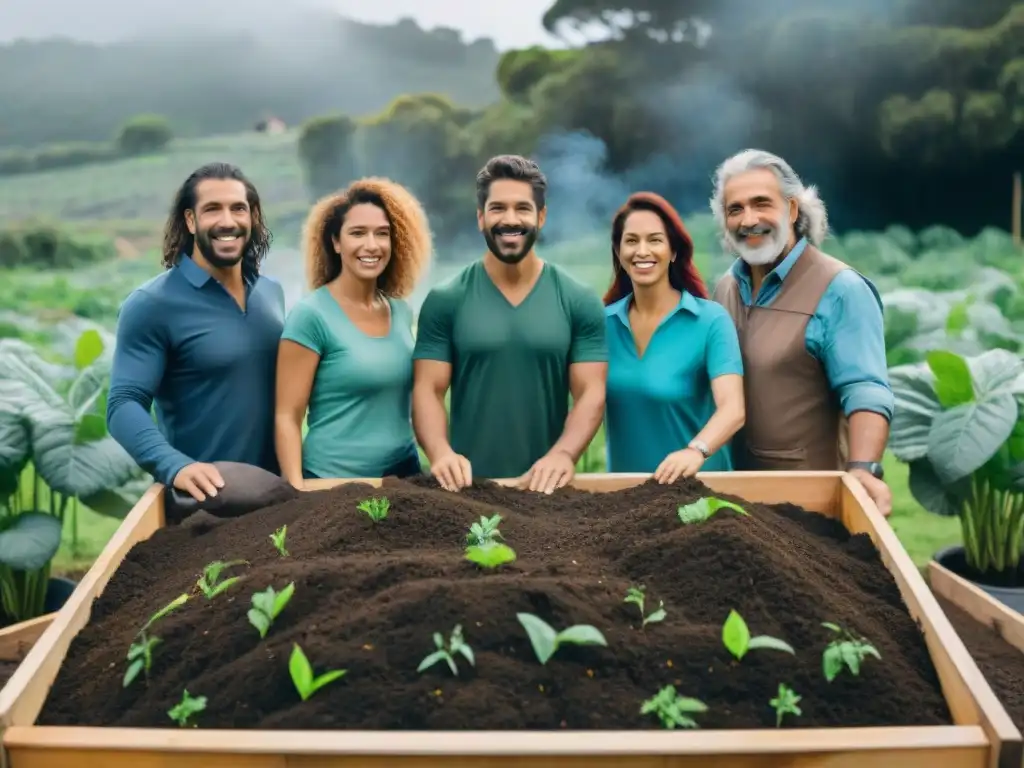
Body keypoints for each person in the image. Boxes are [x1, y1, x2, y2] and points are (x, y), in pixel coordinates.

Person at [709, 149, 894, 516]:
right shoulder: (726, 288)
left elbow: (866, 389)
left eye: (762, 203)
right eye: (735, 209)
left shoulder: (841, 288)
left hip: (811, 504)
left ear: (792, 211)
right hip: (735, 500)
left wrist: (863, 469)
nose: (749, 219)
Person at [413, 154, 608, 494]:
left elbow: (591, 392)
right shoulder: (446, 299)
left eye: (522, 208)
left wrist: (562, 454)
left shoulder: (578, 299)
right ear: (480, 218)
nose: (510, 219)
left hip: (547, 490)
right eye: (498, 208)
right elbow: (428, 389)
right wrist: (441, 454)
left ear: (541, 216)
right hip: (467, 493)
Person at [107, 162, 285, 502]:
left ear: (253, 217)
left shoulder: (270, 292)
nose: (227, 221)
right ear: (190, 220)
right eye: (212, 209)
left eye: (238, 209)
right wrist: (175, 466)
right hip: (208, 505)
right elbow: (123, 404)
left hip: (278, 496)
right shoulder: (151, 304)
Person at [274, 178, 431, 486]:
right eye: (357, 233)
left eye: (382, 234)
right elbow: (287, 417)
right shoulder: (311, 316)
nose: (371, 245)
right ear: (336, 242)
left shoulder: (400, 311)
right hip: (332, 482)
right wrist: (296, 493)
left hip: (404, 475)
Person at [602, 192, 745, 483]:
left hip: (699, 495)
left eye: (655, 240)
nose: (642, 251)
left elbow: (733, 409)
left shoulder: (710, 321)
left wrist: (696, 451)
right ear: (618, 251)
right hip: (622, 500)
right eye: (631, 241)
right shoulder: (602, 324)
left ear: (674, 251)